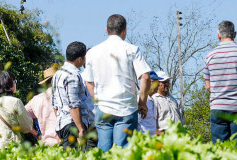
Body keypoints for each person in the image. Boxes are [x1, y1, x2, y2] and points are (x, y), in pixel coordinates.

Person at [83, 14, 151, 151]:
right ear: (124, 30)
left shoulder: (92, 52)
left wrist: (98, 100)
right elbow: (145, 76)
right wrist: (142, 102)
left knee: (104, 150)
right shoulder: (132, 49)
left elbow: (89, 82)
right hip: (126, 108)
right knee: (122, 151)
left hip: (103, 108)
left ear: (106, 31)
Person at [203, 20, 237, 143]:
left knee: (220, 149)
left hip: (218, 106)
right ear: (235, 34)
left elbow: (208, 86)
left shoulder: (210, 55)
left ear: (218, 35)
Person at [53, 41, 97, 150]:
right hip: (72, 125)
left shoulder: (57, 74)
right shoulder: (72, 74)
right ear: (79, 59)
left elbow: (54, 105)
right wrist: (80, 129)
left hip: (61, 124)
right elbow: (74, 105)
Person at [0, 71, 38, 151]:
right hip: (8, 147)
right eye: (15, 81)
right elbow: (27, 126)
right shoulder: (15, 101)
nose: (16, 83)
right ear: (8, 84)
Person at [25, 67, 60, 146]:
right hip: (64, 141)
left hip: (46, 142)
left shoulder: (36, 99)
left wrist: (36, 133)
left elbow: (21, 116)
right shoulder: (63, 95)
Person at [137, 71, 161, 136]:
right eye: (156, 82)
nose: (158, 85)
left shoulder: (152, 100)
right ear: (148, 82)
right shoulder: (139, 99)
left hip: (151, 140)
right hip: (141, 138)